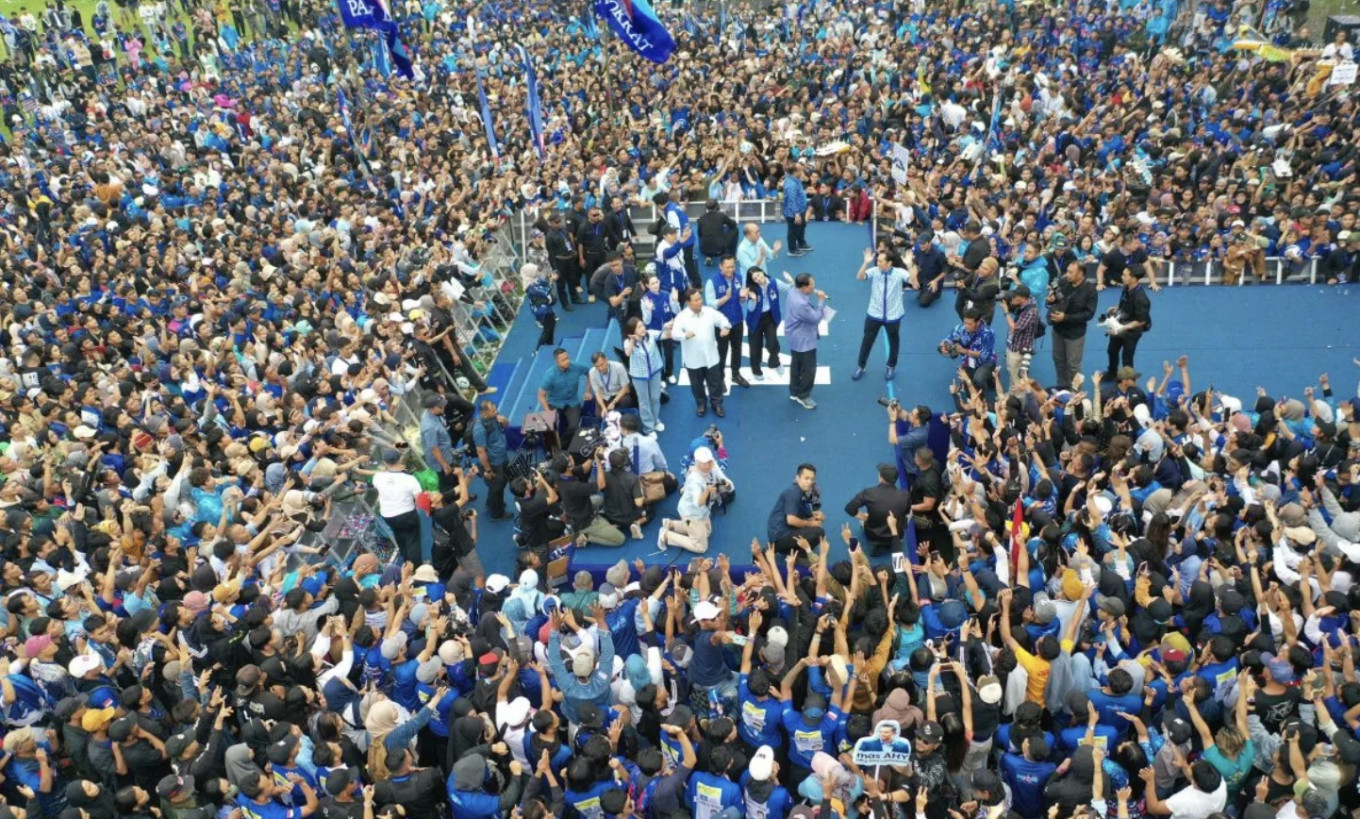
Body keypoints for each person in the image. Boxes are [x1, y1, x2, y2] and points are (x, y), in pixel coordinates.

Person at [671, 287, 733, 418]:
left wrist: (725, 327)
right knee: (696, 385)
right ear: (688, 302)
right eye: (696, 300)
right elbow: (674, 333)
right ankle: (701, 404)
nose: (700, 302)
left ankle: (716, 404)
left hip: (711, 356)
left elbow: (723, 319)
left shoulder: (709, 312)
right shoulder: (682, 317)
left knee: (715, 383)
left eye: (700, 298)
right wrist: (684, 335)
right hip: (693, 359)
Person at [852, 248, 911, 382]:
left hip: (893, 315)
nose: (877, 263)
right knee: (867, 340)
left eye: (880, 261)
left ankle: (891, 366)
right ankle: (861, 366)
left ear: (889, 263)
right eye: (877, 260)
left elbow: (914, 281)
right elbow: (860, 277)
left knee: (894, 341)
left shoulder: (899, 273)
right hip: (874, 313)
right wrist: (865, 263)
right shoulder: (874, 271)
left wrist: (909, 265)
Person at [658, 447, 728, 553]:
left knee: (707, 532)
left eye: (710, 461)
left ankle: (670, 524)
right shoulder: (695, 480)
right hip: (693, 513)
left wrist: (724, 482)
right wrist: (707, 491)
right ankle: (666, 536)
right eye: (705, 463)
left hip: (703, 511)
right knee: (701, 547)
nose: (708, 465)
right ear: (698, 463)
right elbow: (698, 503)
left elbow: (722, 469)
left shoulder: (711, 468)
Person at [554, 450, 626, 548]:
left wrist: (593, 455)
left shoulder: (561, 475)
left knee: (599, 499)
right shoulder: (573, 487)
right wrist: (599, 463)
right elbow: (601, 485)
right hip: (586, 521)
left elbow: (584, 468)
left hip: (579, 509)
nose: (573, 459)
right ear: (569, 465)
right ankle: (586, 536)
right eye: (571, 459)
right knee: (620, 539)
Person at [1046, 261, 1098, 390]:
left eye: (1070, 272)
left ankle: (1076, 392)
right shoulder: (1064, 283)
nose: (1066, 275)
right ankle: (1062, 386)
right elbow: (1058, 299)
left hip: (1075, 333)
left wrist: (1066, 317)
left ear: (1080, 274)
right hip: (1058, 329)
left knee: (1074, 365)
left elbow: (1089, 314)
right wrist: (1051, 300)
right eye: (1067, 271)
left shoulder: (1090, 290)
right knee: (1058, 359)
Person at [843, 463, 912, 557]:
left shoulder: (868, 493)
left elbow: (849, 508)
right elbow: (907, 513)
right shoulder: (905, 495)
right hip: (895, 533)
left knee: (862, 521)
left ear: (881, 478)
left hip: (873, 534)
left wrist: (864, 517)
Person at [783, 273, 830, 410]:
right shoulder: (801, 304)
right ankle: (803, 396)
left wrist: (814, 292)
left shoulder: (793, 291)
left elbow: (792, 284)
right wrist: (821, 301)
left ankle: (794, 391)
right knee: (809, 370)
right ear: (803, 287)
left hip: (794, 337)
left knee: (796, 365)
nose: (814, 288)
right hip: (804, 340)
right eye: (812, 286)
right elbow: (815, 318)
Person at [373, 448, 426, 565]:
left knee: (400, 539)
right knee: (413, 542)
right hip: (407, 514)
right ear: (400, 459)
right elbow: (420, 501)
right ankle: (416, 569)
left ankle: (406, 564)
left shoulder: (378, 477)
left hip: (388, 516)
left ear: (385, 463)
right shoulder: (410, 479)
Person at [704, 255, 749, 388]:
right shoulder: (712, 282)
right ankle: (720, 378)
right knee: (721, 351)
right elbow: (711, 305)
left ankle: (736, 374)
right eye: (728, 267)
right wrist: (726, 297)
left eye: (733, 266)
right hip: (721, 324)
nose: (731, 270)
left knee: (737, 349)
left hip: (737, 320)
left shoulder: (739, 278)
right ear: (720, 266)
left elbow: (741, 300)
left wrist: (743, 297)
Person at [622, 316, 670, 435]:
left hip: (655, 372)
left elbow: (666, 335)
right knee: (644, 402)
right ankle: (648, 428)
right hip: (639, 376)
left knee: (655, 398)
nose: (643, 328)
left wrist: (667, 328)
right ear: (632, 331)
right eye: (639, 327)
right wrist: (633, 340)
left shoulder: (650, 334)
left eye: (642, 325)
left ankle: (655, 420)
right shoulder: (628, 342)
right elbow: (627, 353)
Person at [537, 348, 591, 447]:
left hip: (572, 402)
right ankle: (554, 449)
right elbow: (541, 396)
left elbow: (590, 372)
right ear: (557, 362)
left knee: (574, 426)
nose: (567, 361)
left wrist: (588, 390)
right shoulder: (550, 375)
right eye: (563, 360)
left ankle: (561, 446)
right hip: (555, 403)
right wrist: (548, 411)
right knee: (550, 427)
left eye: (567, 358)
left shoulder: (576, 367)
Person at [767, 463, 824, 555]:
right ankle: (769, 550)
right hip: (780, 536)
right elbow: (791, 520)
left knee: (817, 527)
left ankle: (794, 553)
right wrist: (811, 524)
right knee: (819, 532)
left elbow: (806, 518)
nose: (809, 482)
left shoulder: (803, 493)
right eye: (806, 478)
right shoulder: (793, 492)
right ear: (797, 478)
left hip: (786, 533)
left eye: (812, 479)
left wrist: (818, 518)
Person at [1105, 267, 1152, 378]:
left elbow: (1141, 321)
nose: (1122, 276)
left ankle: (1128, 380)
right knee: (1111, 350)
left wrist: (1122, 328)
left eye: (1125, 275)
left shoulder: (1141, 299)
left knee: (1127, 356)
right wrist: (1116, 308)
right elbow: (1124, 302)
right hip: (1121, 323)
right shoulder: (1127, 288)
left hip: (1132, 330)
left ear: (1134, 279)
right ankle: (1112, 373)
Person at [742, 266, 785, 382]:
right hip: (755, 320)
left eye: (759, 275)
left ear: (763, 272)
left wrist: (791, 283)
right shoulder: (751, 289)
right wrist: (754, 300)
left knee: (772, 343)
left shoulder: (774, 282)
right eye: (755, 278)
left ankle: (775, 363)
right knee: (755, 348)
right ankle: (756, 370)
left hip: (770, 317)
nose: (759, 279)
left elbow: (787, 289)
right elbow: (750, 309)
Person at [469, 400, 510, 521]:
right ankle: (497, 513)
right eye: (493, 411)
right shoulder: (479, 429)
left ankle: (491, 502)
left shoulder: (495, 416)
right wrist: (487, 470)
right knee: (498, 486)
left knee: (500, 483)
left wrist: (505, 421)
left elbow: (505, 426)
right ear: (485, 414)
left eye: (495, 408)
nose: (496, 412)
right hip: (493, 463)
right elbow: (481, 451)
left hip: (502, 456)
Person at [939, 309, 998, 393]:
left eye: (969, 324)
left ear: (978, 322)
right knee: (969, 390)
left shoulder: (988, 333)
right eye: (965, 322)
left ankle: (983, 400)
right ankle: (990, 377)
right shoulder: (959, 328)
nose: (966, 326)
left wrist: (965, 351)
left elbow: (984, 355)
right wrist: (942, 347)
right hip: (969, 361)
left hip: (986, 362)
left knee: (978, 380)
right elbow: (947, 340)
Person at [1000, 284, 1041, 389]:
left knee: (1018, 380)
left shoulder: (1031, 312)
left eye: (1015, 297)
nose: (1012, 298)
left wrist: (1006, 311)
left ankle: (1018, 402)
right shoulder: (1029, 299)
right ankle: (1012, 396)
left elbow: (1015, 328)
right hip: (1013, 344)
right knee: (1012, 374)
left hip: (1019, 349)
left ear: (1023, 299)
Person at [420, 394, 459, 493]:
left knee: (454, 476)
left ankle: (460, 492)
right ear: (432, 408)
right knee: (447, 485)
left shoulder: (433, 414)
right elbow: (434, 449)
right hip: (440, 461)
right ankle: (453, 504)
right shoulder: (429, 427)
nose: (443, 408)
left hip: (446, 454)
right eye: (440, 407)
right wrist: (444, 465)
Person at [586, 351, 634, 417]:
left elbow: (625, 387)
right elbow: (597, 393)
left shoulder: (618, 367)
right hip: (605, 396)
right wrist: (603, 408)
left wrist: (614, 402)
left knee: (626, 402)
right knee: (599, 415)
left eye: (602, 364)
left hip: (618, 394)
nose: (600, 368)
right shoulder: (592, 372)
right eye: (597, 366)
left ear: (606, 360)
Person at [697, 199, 739, 264]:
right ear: (717, 207)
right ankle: (732, 255)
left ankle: (708, 256)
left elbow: (699, 234)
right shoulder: (721, 215)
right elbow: (733, 225)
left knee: (704, 235)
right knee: (735, 230)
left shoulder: (701, 218)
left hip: (705, 250)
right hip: (720, 249)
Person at [782, 164, 812, 257]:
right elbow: (792, 200)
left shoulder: (796, 180)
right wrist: (796, 214)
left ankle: (801, 243)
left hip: (800, 209)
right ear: (796, 171)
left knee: (801, 226)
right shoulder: (791, 184)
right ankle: (792, 249)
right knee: (793, 230)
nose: (802, 172)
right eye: (801, 170)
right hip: (793, 212)